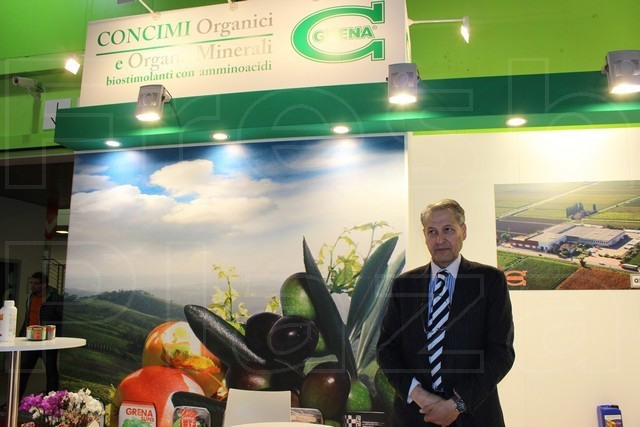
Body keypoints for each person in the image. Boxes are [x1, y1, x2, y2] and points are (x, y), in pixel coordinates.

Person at [377, 199, 515, 426]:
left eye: (448, 230)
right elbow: (386, 349)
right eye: (432, 231)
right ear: (424, 235)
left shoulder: (490, 281)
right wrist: (420, 396)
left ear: (463, 231)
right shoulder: (404, 285)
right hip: (415, 415)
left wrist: (457, 404)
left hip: (474, 415)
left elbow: (501, 353)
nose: (439, 239)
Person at [18, 272, 64, 397]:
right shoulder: (30, 298)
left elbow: (61, 318)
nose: (32, 285)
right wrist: (20, 336)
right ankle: (16, 400)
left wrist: (56, 336)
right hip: (31, 340)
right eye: (31, 282)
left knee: (51, 371)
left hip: (47, 341)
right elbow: (28, 318)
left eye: (36, 283)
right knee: (23, 371)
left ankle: (51, 400)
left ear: (44, 285)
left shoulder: (54, 298)